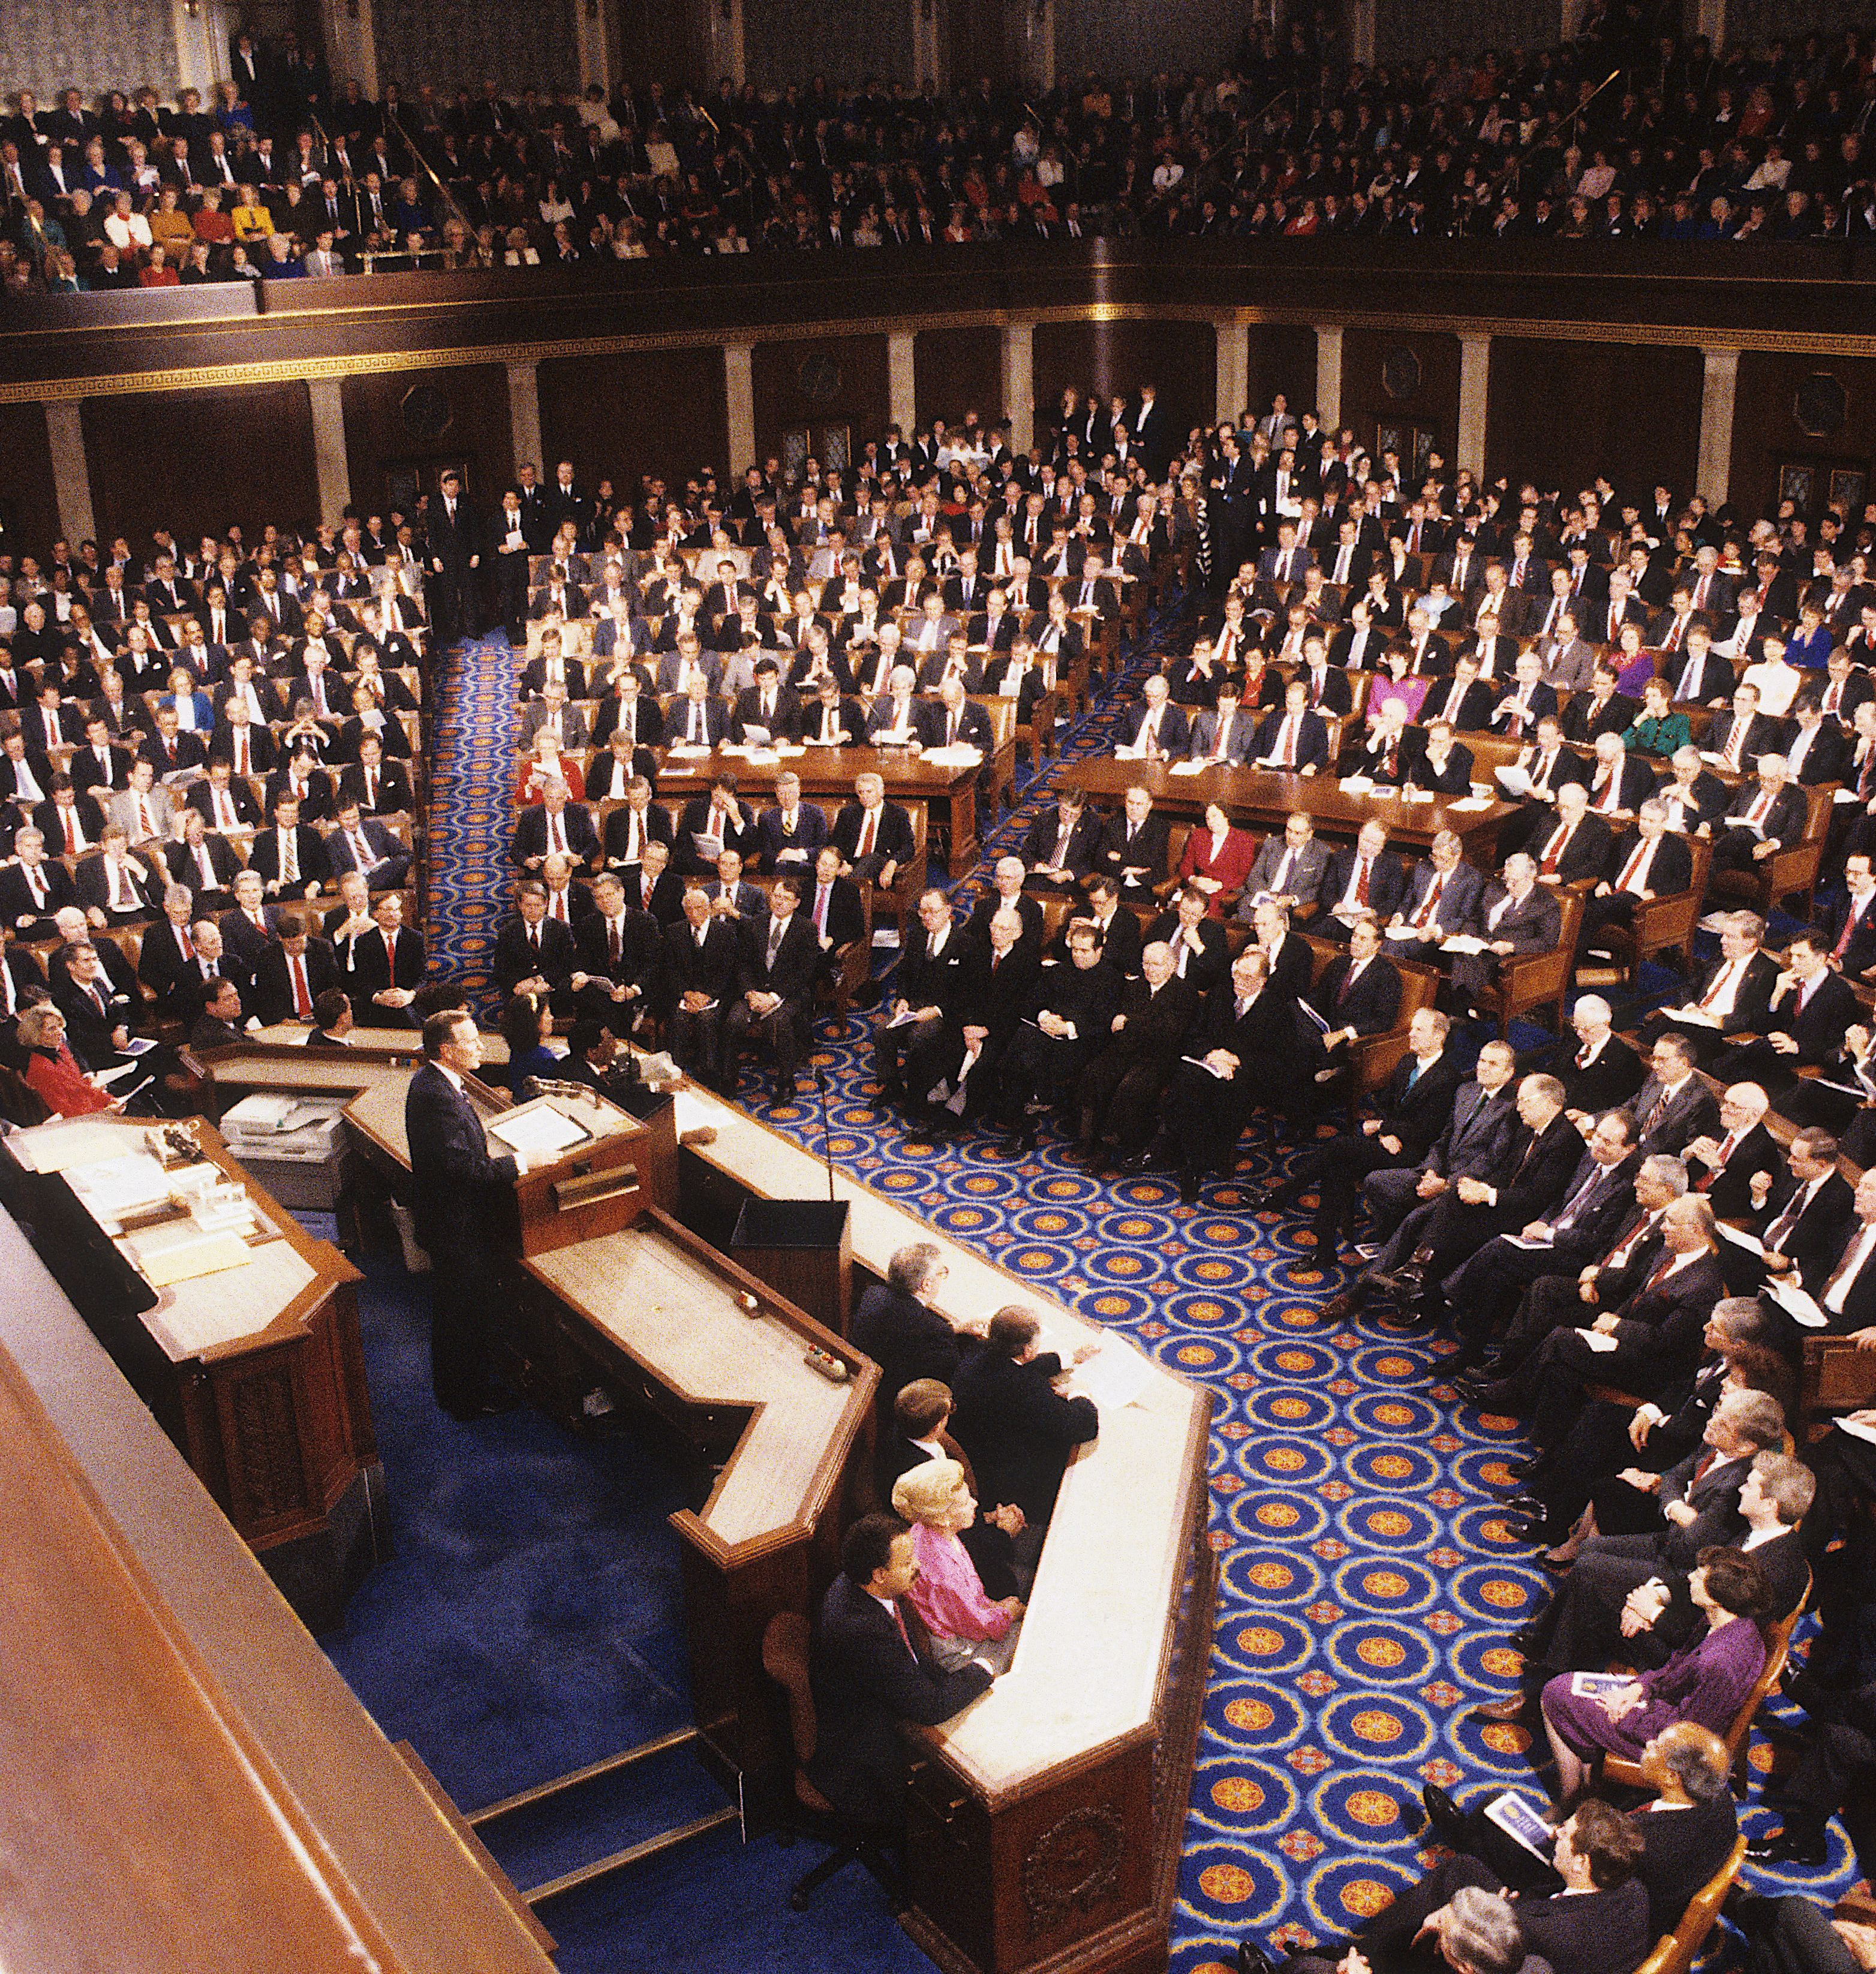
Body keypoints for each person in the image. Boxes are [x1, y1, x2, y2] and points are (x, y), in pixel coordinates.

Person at [1421, 1723, 1736, 1940]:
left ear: (1671, 1778)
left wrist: (1569, 1837)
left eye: (1656, 1746)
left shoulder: (1643, 1841)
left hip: (1605, 1906)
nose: (1647, 1745)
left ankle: (1467, 1840)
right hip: (1651, 1892)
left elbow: (1587, 1879)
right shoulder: (1717, 1795)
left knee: (1494, 1811)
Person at [805, 1513, 994, 1826]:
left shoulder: (865, 1588)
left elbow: (917, 1663)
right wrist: (982, 1670)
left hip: (890, 1711)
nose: (918, 1567)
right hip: (866, 1759)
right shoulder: (860, 1629)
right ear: (879, 1574)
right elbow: (930, 1707)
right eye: (907, 1563)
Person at [1538, 1547, 1771, 1801]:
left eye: (1699, 1575)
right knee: (1572, 1691)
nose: (1690, 1577)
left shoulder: (1719, 1664)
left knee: (1554, 1693)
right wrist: (1639, 1688)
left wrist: (1626, 1713)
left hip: (1668, 1741)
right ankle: (1589, 1786)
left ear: (1716, 1596)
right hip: (1665, 1707)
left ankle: (1570, 1799)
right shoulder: (1723, 1623)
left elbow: (1685, 1736)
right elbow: (1677, 1666)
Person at [404, 1008, 527, 1419]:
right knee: (461, 1315)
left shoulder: (438, 1082)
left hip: (454, 1220)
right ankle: (466, 1399)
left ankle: (465, 1389)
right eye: (471, 1040)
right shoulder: (436, 1095)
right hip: (455, 1226)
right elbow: (463, 1169)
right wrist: (522, 1164)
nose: (480, 1046)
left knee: (461, 1311)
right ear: (446, 1050)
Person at [949, 1306, 1099, 1527]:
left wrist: (1070, 1358)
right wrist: (1079, 1393)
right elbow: (1083, 1426)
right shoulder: (1026, 1389)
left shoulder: (976, 1351)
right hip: (1004, 1473)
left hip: (975, 1443)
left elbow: (1018, 1367)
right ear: (1028, 1350)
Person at [889, 1460, 1023, 1674]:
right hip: (961, 1650)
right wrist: (1007, 1613)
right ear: (942, 1518)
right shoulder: (943, 1575)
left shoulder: (928, 1530)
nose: (975, 1504)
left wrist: (996, 1607)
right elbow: (977, 1627)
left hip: (969, 1624)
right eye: (966, 1502)